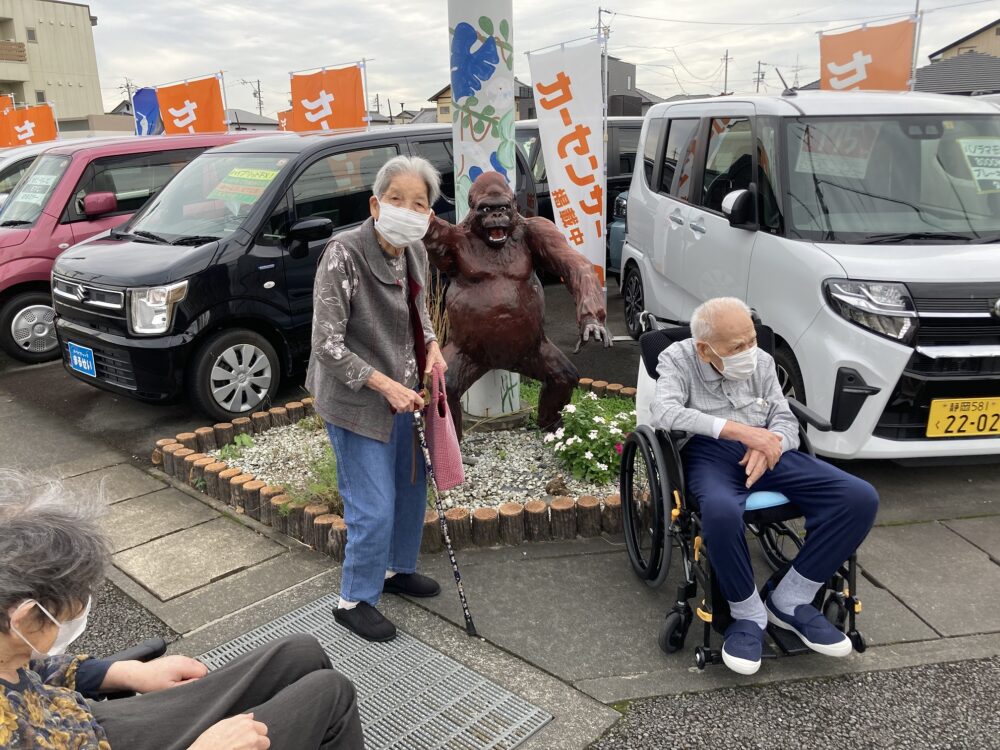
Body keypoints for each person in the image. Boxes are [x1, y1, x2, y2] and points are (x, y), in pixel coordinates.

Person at [0, 470, 364, 749]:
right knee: (331, 696)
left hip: (83, 722)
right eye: (66, 613)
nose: (77, 614)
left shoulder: (9, 648)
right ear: (25, 619)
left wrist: (122, 673)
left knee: (299, 652)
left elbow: (31, 668)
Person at [649, 297, 879, 676]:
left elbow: (785, 421)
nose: (749, 352)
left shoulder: (763, 362)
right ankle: (747, 614)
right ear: (705, 349)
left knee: (858, 497)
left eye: (752, 339)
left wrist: (771, 444)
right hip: (709, 452)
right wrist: (738, 431)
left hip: (771, 450)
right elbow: (665, 412)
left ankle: (790, 598)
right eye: (736, 347)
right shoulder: (677, 358)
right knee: (721, 513)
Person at [307, 155, 447, 642]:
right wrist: (384, 384)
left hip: (406, 395)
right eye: (396, 200)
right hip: (357, 399)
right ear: (375, 204)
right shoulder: (343, 254)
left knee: (410, 492)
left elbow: (420, 312)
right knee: (373, 505)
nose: (407, 210)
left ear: (429, 216)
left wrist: (432, 348)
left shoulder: (415, 253)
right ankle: (354, 599)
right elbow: (326, 345)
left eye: (419, 203)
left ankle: (394, 571)